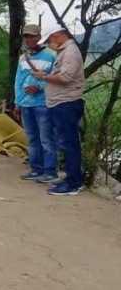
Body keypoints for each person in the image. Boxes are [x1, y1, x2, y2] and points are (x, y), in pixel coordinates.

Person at [29, 26, 86, 196]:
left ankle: (74, 183)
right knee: (65, 143)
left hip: (66, 103)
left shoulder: (70, 52)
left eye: (49, 40)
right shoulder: (64, 52)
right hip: (60, 103)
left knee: (69, 144)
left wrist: (43, 77)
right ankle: (71, 178)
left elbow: (65, 78)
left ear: (58, 36)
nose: (48, 43)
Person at [15, 24, 58, 184]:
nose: (28, 39)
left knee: (46, 138)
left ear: (39, 37)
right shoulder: (23, 57)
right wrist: (17, 102)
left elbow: (57, 79)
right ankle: (36, 169)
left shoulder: (51, 55)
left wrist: (39, 87)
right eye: (26, 36)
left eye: (31, 36)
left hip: (43, 103)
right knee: (32, 138)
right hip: (25, 104)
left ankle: (50, 171)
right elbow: (18, 81)